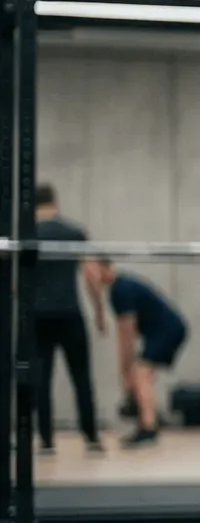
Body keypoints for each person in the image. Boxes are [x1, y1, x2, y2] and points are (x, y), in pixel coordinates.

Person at [29, 183, 103, 454]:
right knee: (81, 377)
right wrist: (99, 312)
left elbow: (17, 282)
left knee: (41, 380)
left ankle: (46, 440)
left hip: (38, 316)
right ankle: (91, 437)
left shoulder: (29, 234)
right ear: (55, 202)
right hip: (70, 313)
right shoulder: (74, 232)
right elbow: (92, 275)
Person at [84, 261, 189, 449]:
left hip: (168, 330)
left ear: (103, 266)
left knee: (140, 373)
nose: (87, 276)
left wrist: (126, 374)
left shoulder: (121, 291)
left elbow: (127, 337)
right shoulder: (119, 287)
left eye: (90, 270)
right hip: (161, 331)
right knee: (143, 375)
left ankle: (148, 427)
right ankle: (147, 421)